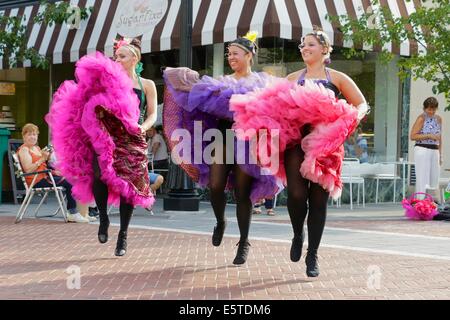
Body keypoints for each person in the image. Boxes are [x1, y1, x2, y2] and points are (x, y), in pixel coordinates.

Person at [231, 26, 369, 277]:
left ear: (325, 49)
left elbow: (361, 103)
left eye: (311, 44)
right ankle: (297, 233)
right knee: (295, 194)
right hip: (296, 141)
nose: (304, 48)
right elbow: (268, 103)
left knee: (318, 200)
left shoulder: (337, 78)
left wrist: (351, 117)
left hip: (326, 146)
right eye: (302, 44)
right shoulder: (293, 78)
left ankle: (313, 254)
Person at [163, 31, 282, 265]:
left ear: (249, 55)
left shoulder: (262, 82)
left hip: (248, 141)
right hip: (223, 137)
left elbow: (273, 108)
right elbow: (199, 99)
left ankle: (244, 242)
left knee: (242, 192)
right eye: (228, 54)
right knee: (216, 185)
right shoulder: (220, 82)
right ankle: (220, 221)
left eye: (235, 53)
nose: (231, 57)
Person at [46, 38, 157, 256]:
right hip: (106, 137)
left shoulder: (147, 84)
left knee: (129, 187)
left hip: (133, 139)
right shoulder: (108, 81)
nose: (117, 60)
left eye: (122, 56)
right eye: (116, 57)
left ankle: (123, 236)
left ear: (134, 58)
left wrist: (142, 127)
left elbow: (153, 113)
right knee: (99, 175)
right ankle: (104, 218)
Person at [17, 123, 89, 223]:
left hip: (44, 176)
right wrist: (42, 158)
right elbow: (28, 170)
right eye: (29, 134)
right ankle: (72, 213)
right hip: (36, 180)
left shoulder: (37, 148)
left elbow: (43, 165)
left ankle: (78, 212)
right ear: (24, 136)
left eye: (34, 134)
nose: (32, 137)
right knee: (69, 182)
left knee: (73, 179)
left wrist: (52, 169)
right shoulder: (24, 150)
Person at [410, 97, 442, 198]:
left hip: (435, 150)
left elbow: (440, 138)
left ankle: (433, 202)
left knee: (434, 178)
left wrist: (441, 155)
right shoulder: (421, 118)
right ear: (424, 108)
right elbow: (413, 136)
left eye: (433, 109)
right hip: (422, 149)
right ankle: (420, 202)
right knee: (422, 178)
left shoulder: (439, 119)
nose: (431, 111)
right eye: (429, 109)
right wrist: (428, 135)